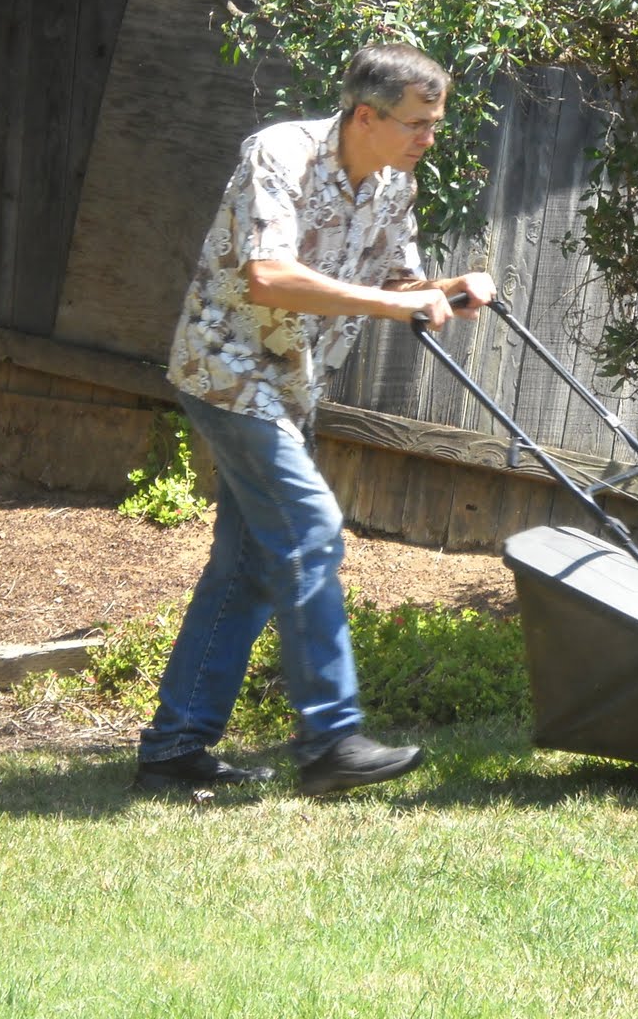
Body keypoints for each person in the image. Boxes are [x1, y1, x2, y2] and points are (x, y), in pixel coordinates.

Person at [135, 43, 496, 797]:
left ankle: (174, 748)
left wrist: (444, 289)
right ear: (365, 115)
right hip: (229, 372)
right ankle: (330, 739)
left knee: (246, 569)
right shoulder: (280, 154)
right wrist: (394, 301)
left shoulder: (394, 183)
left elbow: (397, 283)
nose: (429, 137)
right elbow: (269, 277)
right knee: (311, 531)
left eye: (434, 123)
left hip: (294, 386)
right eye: (418, 123)